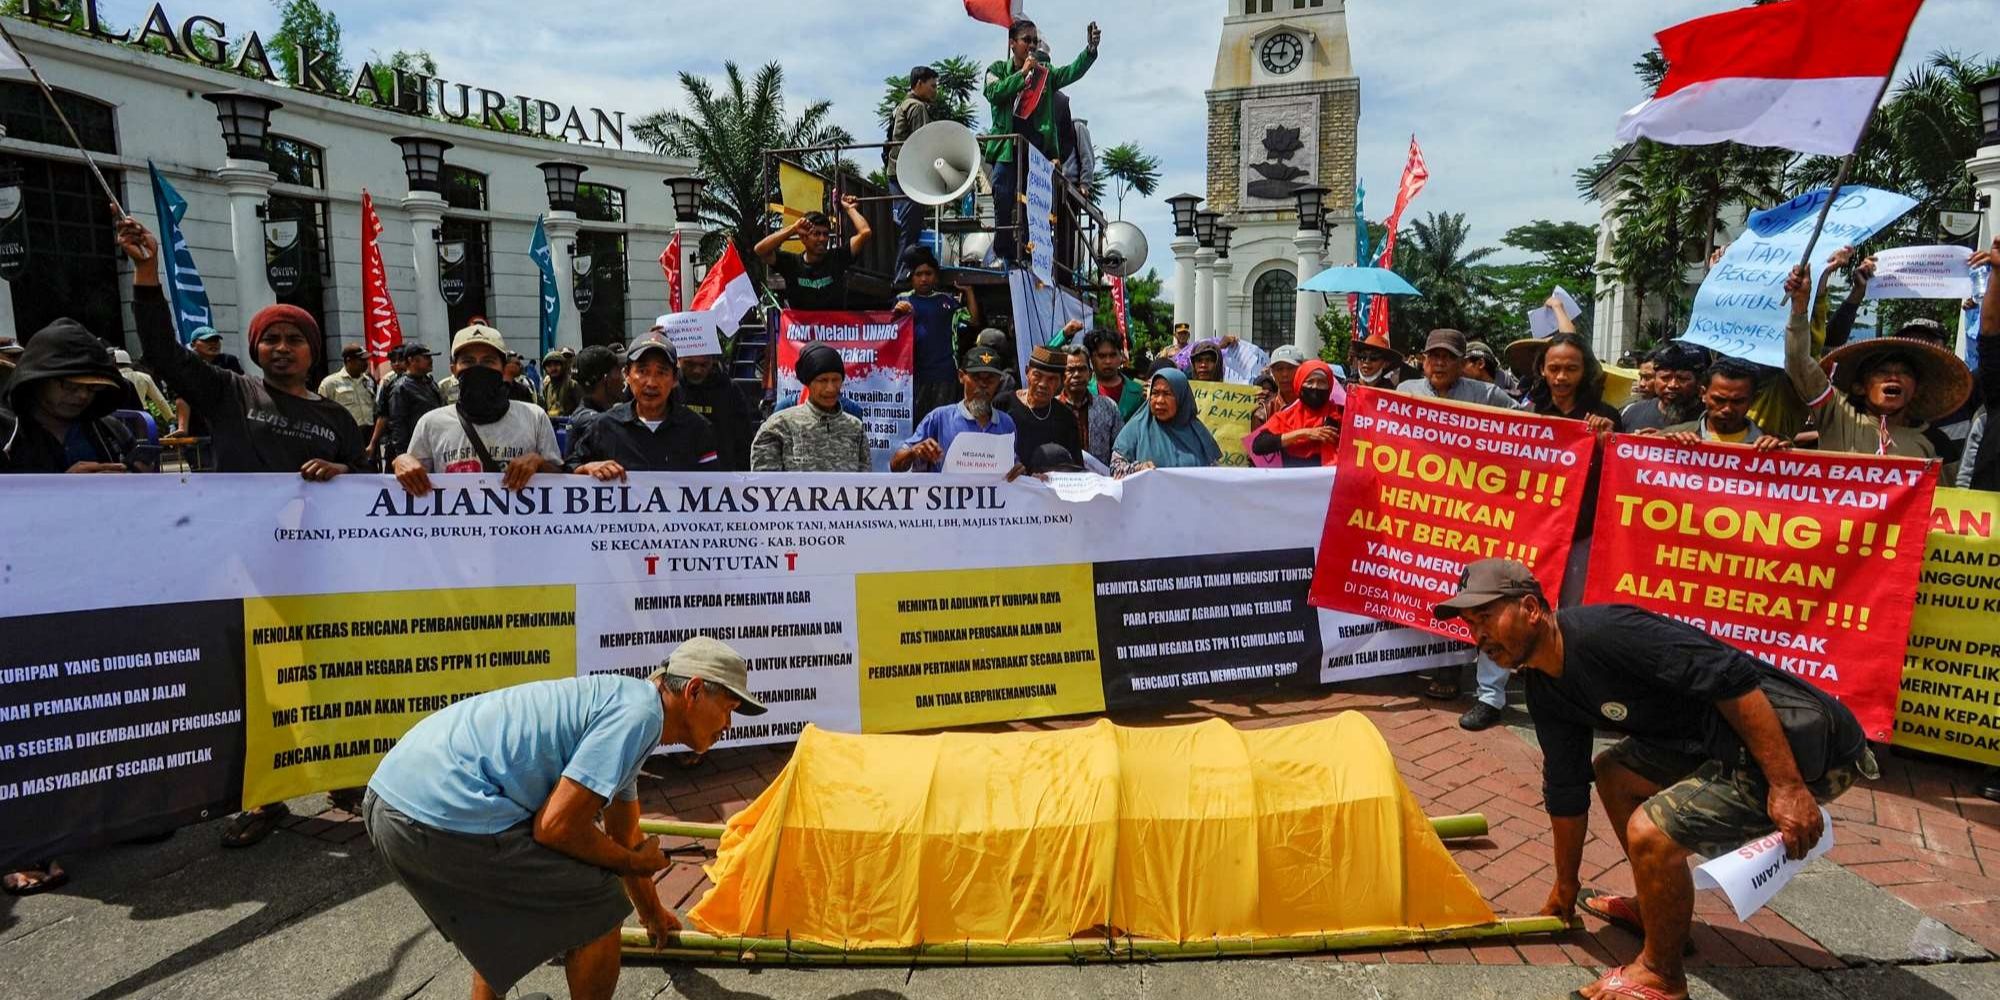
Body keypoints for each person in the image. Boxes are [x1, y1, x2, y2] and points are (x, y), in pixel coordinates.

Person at [1437, 559, 1874, 1000]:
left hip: (1806, 751)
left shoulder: (1609, 633)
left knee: (1652, 831)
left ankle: (1662, 975)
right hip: (1710, 743)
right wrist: (1565, 886)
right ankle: (1659, 913)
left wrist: (1788, 787)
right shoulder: (1545, 687)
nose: (1480, 636)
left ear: (1531, 608)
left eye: (1486, 618)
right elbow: (1566, 788)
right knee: (1614, 772)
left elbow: (1733, 676)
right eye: (1472, 626)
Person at [123, 213, 362, 846]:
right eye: (270, 339)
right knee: (255, 681)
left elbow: (366, 486)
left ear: (314, 350)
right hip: (241, 568)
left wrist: (343, 467)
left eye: (294, 338)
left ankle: (341, 775)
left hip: (316, 572)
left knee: (324, 672)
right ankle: (264, 795)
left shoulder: (337, 416)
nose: (282, 347)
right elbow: (161, 353)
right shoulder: (229, 392)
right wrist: (147, 273)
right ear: (255, 350)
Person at [365, 636, 765, 1000]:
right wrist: (632, 865)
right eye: (727, 709)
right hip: (434, 811)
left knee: (514, 907)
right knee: (598, 906)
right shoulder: (638, 717)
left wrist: (652, 914)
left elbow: (624, 833)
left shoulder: (631, 706)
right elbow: (557, 827)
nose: (727, 726)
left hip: (394, 798)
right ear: (693, 690)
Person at [1782, 266, 1968, 460]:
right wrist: (1800, 305)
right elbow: (1798, 363)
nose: (1893, 377)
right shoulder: (1836, 414)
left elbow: (1948, 491)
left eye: (1905, 372)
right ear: (1859, 387)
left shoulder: (1936, 443)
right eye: (1882, 371)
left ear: (1917, 388)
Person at [394, 325, 564, 496]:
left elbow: (561, 481)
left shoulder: (534, 417)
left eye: (488, 361)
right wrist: (401, 462)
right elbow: (412, 481)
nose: (478, 368)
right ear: (454, 369)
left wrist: (539, 463)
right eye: (468, 361)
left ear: (504, 368)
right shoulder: (430, 424)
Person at [983, 18, 1099, 263]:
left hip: (1036, 153)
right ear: (1012, 43)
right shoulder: (996, 70)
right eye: (1027, 40)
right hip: (1007, 149)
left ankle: (1026, 249)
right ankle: (1003, 245)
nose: (1032, 45)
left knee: (1031, 203)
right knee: (1003, 195)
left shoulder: (1044, 75)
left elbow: (1071, 72)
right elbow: (993, 93)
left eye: (1035, 41)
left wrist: (1089, 51)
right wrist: (1022, 74)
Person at [565, 335, 720, 479]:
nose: (651, 383)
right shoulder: (604, 426)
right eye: (642, 371)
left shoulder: (698, 428)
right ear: (627, 374)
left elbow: (715, 487)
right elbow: (568, 470)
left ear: (674, 379)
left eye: (661, 372)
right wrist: (586, 468)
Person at [0, 319, 137, 474]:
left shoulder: (112, 432)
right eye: (70, 385)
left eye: (93, 387)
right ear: (37, 381)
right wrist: (63, 487)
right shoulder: (6, 434)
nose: (83, 395)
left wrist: (136, 474)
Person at [892, 345, 1016, 472]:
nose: (983, 385)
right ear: (961, 376)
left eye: (990, 379)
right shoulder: (940, 418)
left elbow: (1012, 466)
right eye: (976, 378)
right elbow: (895, 465)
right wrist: (914, 452)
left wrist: (1018, 472)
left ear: (999, 381)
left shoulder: (1006, 424)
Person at [751, 343, 870, 472]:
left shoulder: (855, 428)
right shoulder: (778, 427)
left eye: (836, 380)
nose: (830, 388)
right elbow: (765, 485)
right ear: (808, 382)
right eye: (822, 380)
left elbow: (864, 483)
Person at [893, 252, 982, 421]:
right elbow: (888, 333)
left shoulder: (946, 301)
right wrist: (897, 312)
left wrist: (969, 292)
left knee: (943, 423)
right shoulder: (902, 299)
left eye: (928, 274)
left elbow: (974, 320)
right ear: (911, 277)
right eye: (919, 274)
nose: (924, 279)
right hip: (914, 376)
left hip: (945, 375)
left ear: (935, 277)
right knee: (918, 424)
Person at [755, 197, 872, 311]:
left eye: (825, 234)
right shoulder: (791, 263)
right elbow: (760, 249)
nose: (822, 239)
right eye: (816, 234)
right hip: (802, 329)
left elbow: (865, 232)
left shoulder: (837, 258)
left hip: (833, 329)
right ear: (803, 238)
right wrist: (793, 229)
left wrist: (850, 209)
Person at [1110, 368, 1220, 476]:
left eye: (1167, 394)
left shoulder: (1198, 433)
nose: (1159, 400)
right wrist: (1137, 469)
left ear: (1181, 397)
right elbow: (1115, 468)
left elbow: (1215, 475)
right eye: (1155, 393)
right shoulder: (1136, 428)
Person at [1655, 359, 1786, 450]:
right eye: (1719, 400)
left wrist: (1782, 457)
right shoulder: (1673, 436)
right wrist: (1666, 447)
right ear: (1703, 394)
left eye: (1737, 401)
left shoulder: (1773, 444)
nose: (1727, 409)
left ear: (1752, 400)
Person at [996, 344, 1082, 466]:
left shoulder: (1066, 418)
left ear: (1061, 382)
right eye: (1037, 375)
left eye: (1051, 379)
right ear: (1027, 372)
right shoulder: (1003, 404)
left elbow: (1075, 466)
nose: (1043, 384)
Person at [1248, 359, 1343, 468]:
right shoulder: (1286, 415)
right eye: (1310, 381)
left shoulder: (1341, 413)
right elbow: (1258, 445)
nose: (1315, 387)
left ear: (1329, 386)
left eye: (1321, 382)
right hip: (1294, 483)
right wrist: (1304, 433)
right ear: (1299, 384)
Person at [886, 64, 935, 275]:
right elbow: (922, 143)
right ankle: (901, 276)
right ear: (919, 84)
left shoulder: (902, 105)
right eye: (932, 86)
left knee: (904, 226)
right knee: (910, 228)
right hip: (908, 175)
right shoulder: (917, 107)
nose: (935, 90)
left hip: (896, 172)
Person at [676, 352, 754, 472]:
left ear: (712, 361)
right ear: (679, 359)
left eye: (704, 365)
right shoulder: (669, 388)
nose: (697, 370)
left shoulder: (730, 390)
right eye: (689, 364)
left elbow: (744, 441)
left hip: (721, 477)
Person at [1398, 329, 1514, 408]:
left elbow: (1525, 425)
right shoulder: (1405, 391)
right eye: (1434, 356)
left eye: (1449, 357)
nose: (1440, 363)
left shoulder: (1487, 395)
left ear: (1462, 364)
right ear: (1424, 360)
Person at [377, 344, 443, 466]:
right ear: (411, 360)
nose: (431, 360)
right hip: (415, 451)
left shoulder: (430, 383)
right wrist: (403, 457)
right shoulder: (401, 388)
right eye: (426, 357)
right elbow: (398, 424)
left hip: (434, 445)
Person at [1621, 342, 1707, 432]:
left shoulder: (1710, 422)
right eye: (1665, 378)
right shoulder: (1632, 413)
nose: (1672, 385)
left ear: (1698, 382)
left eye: (1682, 379)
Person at [1061, 343, 1121, 467]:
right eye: (1070, 370)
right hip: (1062, 482)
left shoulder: (1109, 407)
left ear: (1090, 374)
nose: (1077, 375)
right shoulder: (1051, 408)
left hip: (1100, 481)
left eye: (1082, 369)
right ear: (1062, 375)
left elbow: (1120, 450)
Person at [563, 344, 624, 448]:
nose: (624, 378)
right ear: (606, 379)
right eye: (619, 370)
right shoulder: (596, 423)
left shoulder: (589, 414)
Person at [1085, 328, 1145, 422]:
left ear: (1121, 356)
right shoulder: (1084, 391)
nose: (1108, 361)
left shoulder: (1138, 392)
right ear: (1091, 358)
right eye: (1102, 356)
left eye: (1113, 355)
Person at [318, 344, 377, 430]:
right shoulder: (330, 383)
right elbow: (322, 412)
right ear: (349, 360)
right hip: (346, 432)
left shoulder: (369, 380)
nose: (366, 363)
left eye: (366, 360)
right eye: (361, 360)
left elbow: (374, 407)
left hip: (369, 432)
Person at [115, 348, 175, 428]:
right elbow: (160, 400)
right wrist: (171, 419)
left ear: (114, 363)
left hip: (121, 418)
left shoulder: (113, 379)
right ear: (129, 363)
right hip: (143, 416)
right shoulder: (144, 377)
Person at [1252, 344, 1307, 426]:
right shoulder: (1263, 413)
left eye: (1291, 368)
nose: (1285, 374)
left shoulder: (1314, 405)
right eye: (1279, 369)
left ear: (1302, 369)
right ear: (1272, 372)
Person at [539, 348, 582, 417]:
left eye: (556, 365)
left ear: (563, 366)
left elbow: (581, 409)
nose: (553, 368)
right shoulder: (547, 386)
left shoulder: (572, 385)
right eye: (549, 366)